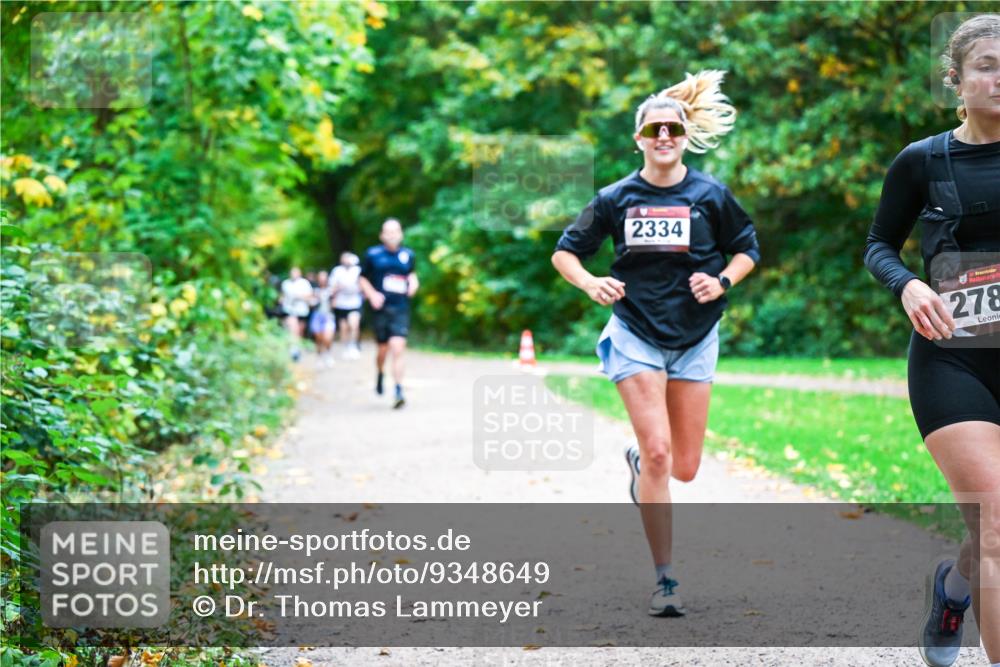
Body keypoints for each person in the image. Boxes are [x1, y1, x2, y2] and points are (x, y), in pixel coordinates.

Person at [552, 70, 759, 617]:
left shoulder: (711, 194)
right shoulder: (615, 197)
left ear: (684, 135)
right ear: (639, 138)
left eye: (672, 127)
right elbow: (565, 252)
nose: (663, 136)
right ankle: (665, 578)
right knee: (662, 453)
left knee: (684, 467)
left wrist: (723, 281)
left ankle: (640, 466)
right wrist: (590, 281)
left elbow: (747, 249)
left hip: (695, 337)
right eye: (653, 129)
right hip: (635, 333)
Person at [864, 14, 999, 667]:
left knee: (990, 530)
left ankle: (951, 588)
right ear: (957, 78)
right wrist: (908, 287)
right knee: (998, 518)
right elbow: (878, 245)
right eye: (988, 65)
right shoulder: (923, 160)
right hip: (955, 358)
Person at [359, 219, 419, 408]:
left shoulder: (408, 255)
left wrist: (414, 283)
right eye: (388, 232)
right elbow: (361, 278)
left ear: (401, 234)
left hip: (400, 308)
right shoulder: (373, 255)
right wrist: (372, 294)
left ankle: (399, 390)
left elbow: (411, 274)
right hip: (381, 310)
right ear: (382, 235)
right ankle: (380, 373)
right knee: (383, 350)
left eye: (395, 231)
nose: (392, 235)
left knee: (398, 347)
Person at [332, 251, 364, 360]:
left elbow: (364, 284)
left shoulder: (357, 271)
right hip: (341, 304)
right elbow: (332, 286)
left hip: (355, 303)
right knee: (343, 328)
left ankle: (353, 346)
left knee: (354, 324)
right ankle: (345, 347)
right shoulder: (337, 271)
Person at [280, 266, 313, 362]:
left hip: (302, 311)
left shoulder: (304, 283)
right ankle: (293, 350)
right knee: (292, 328)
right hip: (289, 310)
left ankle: (297, 349)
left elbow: (310, 296)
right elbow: (282, 295)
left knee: (299, 331)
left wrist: (298, 296)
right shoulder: (285, 283)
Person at [309, 270, 336, 367]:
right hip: (317, 316)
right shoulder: (314, 290)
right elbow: (310, 303)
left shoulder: (331, 290)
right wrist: (315, 299)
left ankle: (328, 354)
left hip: (328, 316)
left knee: (327, 338)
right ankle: (319, 357)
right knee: (319, 339)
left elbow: (335, 304)